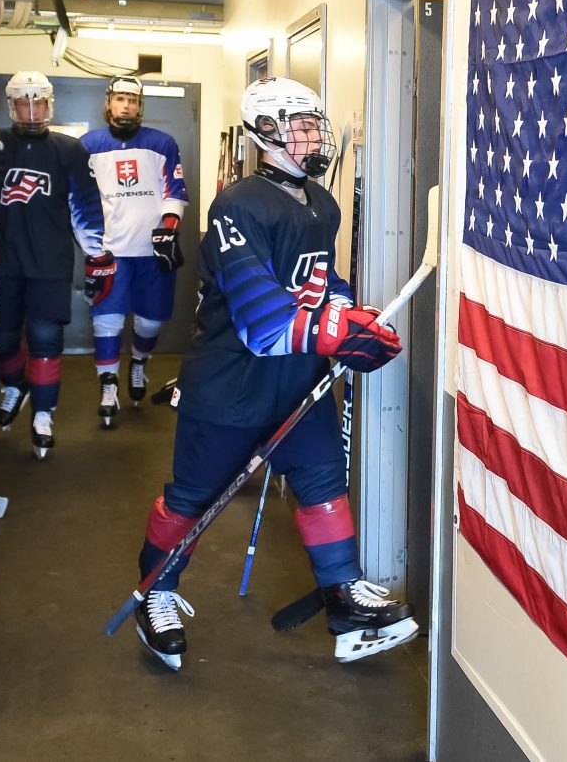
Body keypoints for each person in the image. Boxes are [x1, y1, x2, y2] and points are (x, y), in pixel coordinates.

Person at [131, 77, 413, 670]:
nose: (314, 134)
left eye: (315, 122)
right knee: (191, 497)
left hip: (298, 378)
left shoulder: (321, 202)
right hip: (232, 380)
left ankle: (343, 598)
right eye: (300, 124)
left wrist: (349, 315)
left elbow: (321, 283)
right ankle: (156, 593)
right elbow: (263, 323)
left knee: (322, 483)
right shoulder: (237, 205)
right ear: (266, 131)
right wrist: (335, 332)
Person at [0, 71, 113, 460]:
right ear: (11, 106)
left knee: (45, 340)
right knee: (1, 339)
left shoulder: (69, 150)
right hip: (2, 262)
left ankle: (44, 414)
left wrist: (97, 257)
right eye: (23, 103)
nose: (31, 111)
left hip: (49, 264)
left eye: (38, 102)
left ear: (49, 104)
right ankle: (15, 387)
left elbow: (86, 211)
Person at [81, 76, 188, 427]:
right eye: (121, 99)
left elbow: (175, 190)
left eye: (133, 100)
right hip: (109, 253)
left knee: (150, 321)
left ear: (141, 106)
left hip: (153, 251)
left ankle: (139, 363)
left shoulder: (162, 143)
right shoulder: (88, 145)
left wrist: (169, 227)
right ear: (108, 103)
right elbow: (78, 200)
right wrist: (90, 244)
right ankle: (108, 388)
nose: (127, 106)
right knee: (106, 322)